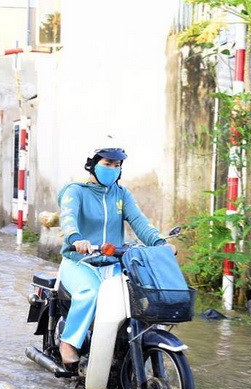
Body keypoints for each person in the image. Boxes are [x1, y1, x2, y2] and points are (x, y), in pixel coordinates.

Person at [56, 139, 172, 365]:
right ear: (92, 165)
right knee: (89, 292)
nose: (113, 169)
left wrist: (159, 243)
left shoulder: (121, 194)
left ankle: (124, 348)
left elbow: (139, 221)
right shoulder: (75, 191)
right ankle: (68, 341)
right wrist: (76, 239)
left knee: (139, 297)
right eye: (108, 164)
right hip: (80, 263)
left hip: (113, 264)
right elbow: (68, 218)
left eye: (117, 165)